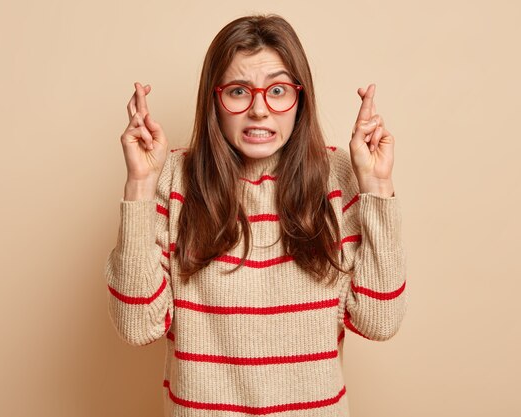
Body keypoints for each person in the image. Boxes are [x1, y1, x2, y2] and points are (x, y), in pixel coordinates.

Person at [105, 14, 407, 416]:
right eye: (238, 91)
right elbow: (136, 326)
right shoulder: (173, 181)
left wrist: (376, 185)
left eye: (278, 90)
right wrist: (140, 186)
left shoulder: (339, 178)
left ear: (300, 99)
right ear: (215, 99)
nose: (259, 110)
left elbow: (380, 320)